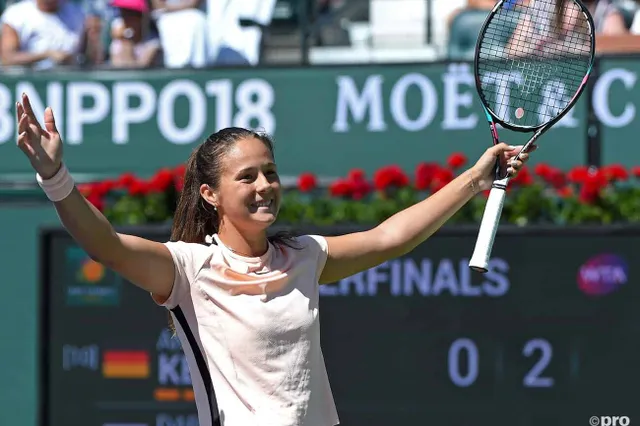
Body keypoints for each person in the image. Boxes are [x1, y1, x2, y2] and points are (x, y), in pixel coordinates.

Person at [15, 93, 531, 426]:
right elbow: (105, 244)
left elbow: (388, 237)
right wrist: (55, 178)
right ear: (210, 195)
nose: (265, 186)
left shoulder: (303, 256)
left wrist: (476, 178)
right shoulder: (188, 270)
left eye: (270, 172)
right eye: (247, 177)